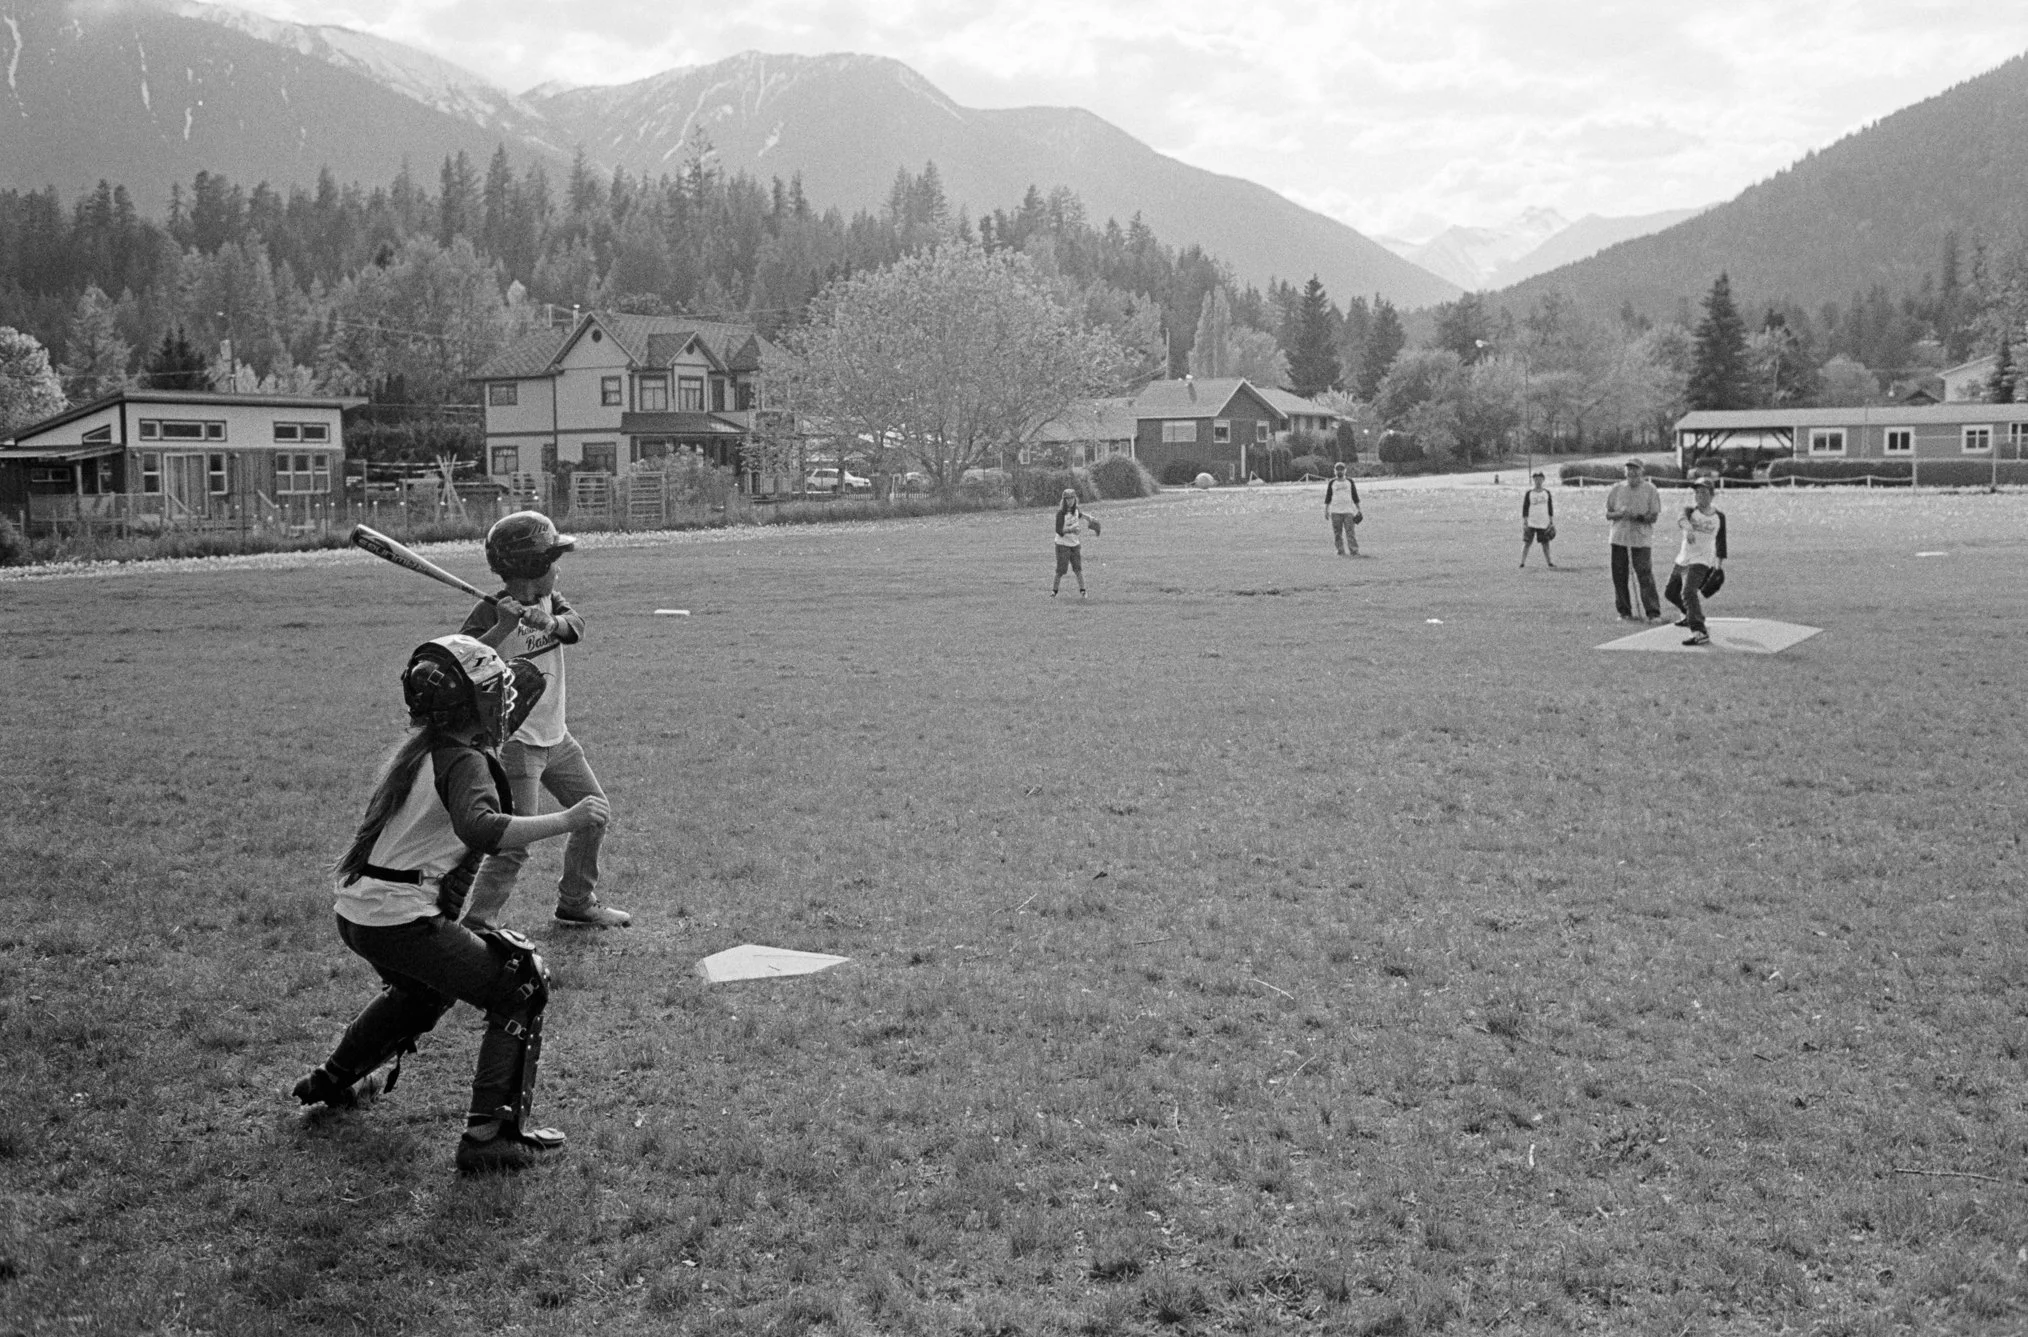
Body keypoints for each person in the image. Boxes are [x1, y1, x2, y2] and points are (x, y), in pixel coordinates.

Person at [293, 635, 611, 1174]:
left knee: (424, 992)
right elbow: (482, 830)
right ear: (478, 704)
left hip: (360, 914)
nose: (508, 699)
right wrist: (569, 819)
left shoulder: (422, 749)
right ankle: (490, 1137)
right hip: (400, 920)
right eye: (498, 691)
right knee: (521, 984)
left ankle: (332, 1079)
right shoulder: (463, 760)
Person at [459, 511, 628, 929]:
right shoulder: (490, 611)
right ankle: (478, 924)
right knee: (515, 844)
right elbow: (464, 663)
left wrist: (550, 622)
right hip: (517, 747)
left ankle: (576, 900)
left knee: (595, 813)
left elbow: (576, 627)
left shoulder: (552, 602)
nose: (558, 568)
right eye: (553, 560)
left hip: (558, 740)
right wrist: (502, 627)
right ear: (535, 567)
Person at [1666, 477, 1728, 647]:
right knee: (1671, 593)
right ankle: (1691, 615)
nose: (1699, 496)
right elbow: (1681, 519)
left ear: (1712, 495)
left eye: (1704, 492)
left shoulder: (1719, 517)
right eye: (1697, 493)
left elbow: (1721, 542)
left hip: (1701, 561)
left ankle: (1699, 631)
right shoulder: (1689, 510)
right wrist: (1688, 529)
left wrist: (1718, 567)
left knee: (1687, 592)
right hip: (1683, 559)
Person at [1604, 458, 1663, 621]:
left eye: (1635, 469)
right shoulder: (1617, 489)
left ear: (1641, 471)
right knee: (1619, 576)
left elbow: (1653, 516)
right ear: (1625, 472)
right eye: (1629, 469)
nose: (1632, 472)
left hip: (1641, 540)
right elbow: (1608, 513)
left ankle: (1653, 612)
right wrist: (1620, 514)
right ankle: (1624, 612)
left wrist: (1637, 516)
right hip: (1619, 538)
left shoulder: (1650, 490)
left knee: (1645, 575)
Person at [1051, 487, 1101, 597]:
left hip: (1074, 544)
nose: (1070, 501)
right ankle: (1054, 592)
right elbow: (1059, 531)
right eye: (1067, 499)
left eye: (1072, 498)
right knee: (1061, 570)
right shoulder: (1061, 514)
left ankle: (1083, 591)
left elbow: (1081, 515)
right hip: (1062, 545)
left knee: (1078, 569)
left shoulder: (1076, 510)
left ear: (1075, 499)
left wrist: (1091, 519)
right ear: (1064, 501)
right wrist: (1071, 530)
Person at [1325, 462, 1363, 556]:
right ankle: (1340, 551)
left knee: (1350, 532)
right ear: (1334, 471)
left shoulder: (1350, 482)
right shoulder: (1332, 482)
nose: (1339, 471)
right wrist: (1326, 510)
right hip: (1335, 511)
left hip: (1348, 511)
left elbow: (1355, 496)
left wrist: (1359, 509)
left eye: (1341, 469)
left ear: (1345, 470)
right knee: (1337, 533)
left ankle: (1354, 551)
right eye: (1337, 469)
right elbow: (1328, 497)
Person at [1519, 471, 1556, 568]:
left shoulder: (1546, 493)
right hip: (1531, 522)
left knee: (1545, 543)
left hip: (1543, 522)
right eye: (1536, 479)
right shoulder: (1529, 493)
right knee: (1527, 542)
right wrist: (1525, 521)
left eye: (1540, 479)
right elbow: (1525, 508)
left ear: (1543, 480)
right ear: (1533, 480)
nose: (1538, 481)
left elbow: (1550, 507)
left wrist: (1551, 520)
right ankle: (1522, 562)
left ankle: (1549, 562)